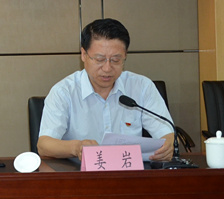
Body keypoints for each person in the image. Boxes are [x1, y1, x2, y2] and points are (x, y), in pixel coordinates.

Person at [37, 18, 174, 162]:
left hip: (130, 171)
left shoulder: (142, 87)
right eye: (99, 59)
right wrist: (76, 147)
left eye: (116, 60)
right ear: (83, 55)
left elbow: (166, 133)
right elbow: (44, 145)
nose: (107, 68)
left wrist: (168, 146)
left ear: (125, 56)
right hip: (80, 172)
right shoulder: (63, 92)